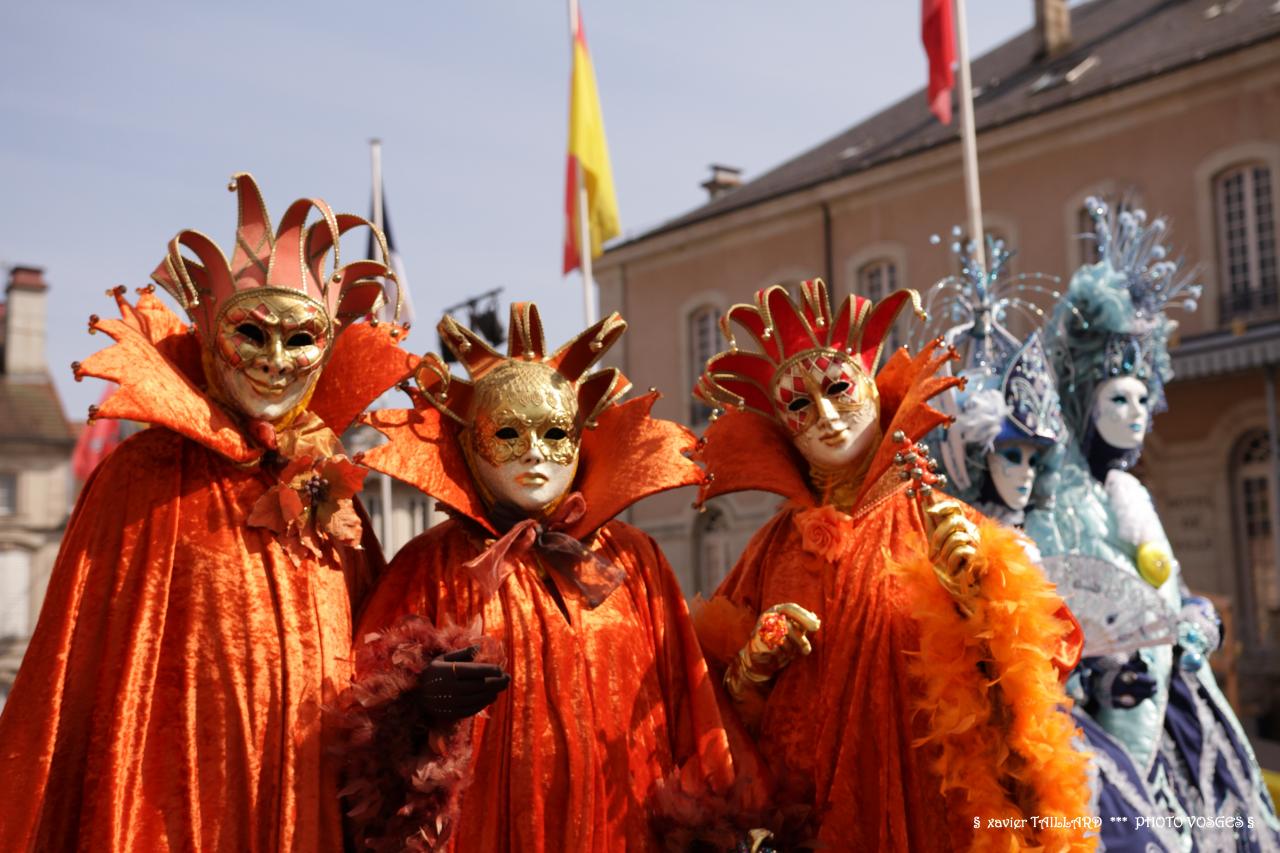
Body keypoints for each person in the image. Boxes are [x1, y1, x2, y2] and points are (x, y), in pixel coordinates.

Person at [0, 173, 413, 851]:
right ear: (207, 331)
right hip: (182, 818)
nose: (276, 361)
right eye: (251, 331)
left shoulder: (332, 482)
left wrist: (418, 695)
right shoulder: (143, 477)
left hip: (313, 816)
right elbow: (72, 694)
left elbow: (370, 662)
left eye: (301, 338)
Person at [340, 303, 766, 852]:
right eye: (510, 432)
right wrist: (417, 705)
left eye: (556, 432)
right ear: (471, 441)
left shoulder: (634, 561)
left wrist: (715, 819)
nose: (536, 452)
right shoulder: (429, 566)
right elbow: (360, 716)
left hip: (625, 828)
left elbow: (689, 698)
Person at [691, 279, 1091, 851]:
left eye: (839, 389)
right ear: (783, 427)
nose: (826, 414)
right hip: (809, 816)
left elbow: (1042, 665)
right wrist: (753, 666)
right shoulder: (769, 550)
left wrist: (977, 601)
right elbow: (711, 704)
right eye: (801, 405)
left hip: (933, 804)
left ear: (874, 393)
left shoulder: (945, 523)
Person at [1026, 199, 1280, 850]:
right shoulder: (1056, 502)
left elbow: (1166, 597)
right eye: (1118, 397)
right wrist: (1091, 673)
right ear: (1085, 398)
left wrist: (1195, 617)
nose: (1136, 413)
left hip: (1175, 711)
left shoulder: (1131, 492)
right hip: (1100, 731)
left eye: (1143, 397)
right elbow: (1039, 627)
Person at [929, 233, 1180, 852]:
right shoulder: (965, 537)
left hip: (1075, 726)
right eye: (1006, 456)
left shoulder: (1058, 522)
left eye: (1033, 457)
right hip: (1002, 739)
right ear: (975, 461)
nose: (1023, 472)